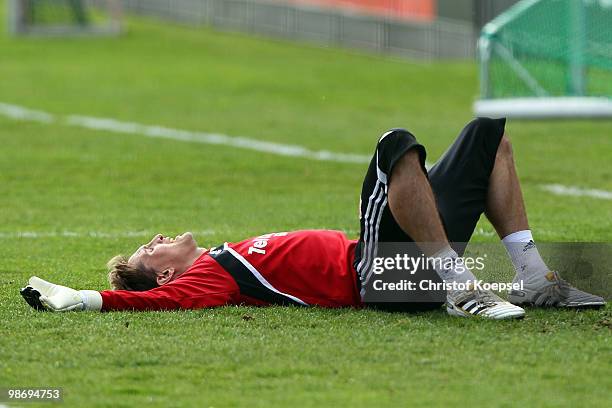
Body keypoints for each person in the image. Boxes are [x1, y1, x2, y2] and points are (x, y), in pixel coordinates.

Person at [20, 118, 605, 319]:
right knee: (391, 145)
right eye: (150, 252)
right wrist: (81, 297)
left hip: (407, 263)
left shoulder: (226, 256)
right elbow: (147, 303)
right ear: (170, 275)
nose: (155, 239)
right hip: (378, 276)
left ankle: (532, 278)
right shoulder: (209, 278)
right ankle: (459, 286)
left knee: (490, 134)